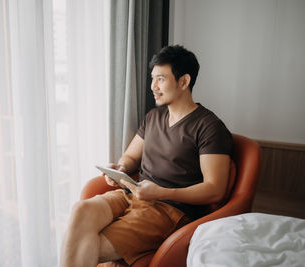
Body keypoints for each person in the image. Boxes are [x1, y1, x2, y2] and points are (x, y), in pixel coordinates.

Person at [60, 45, 233, 267]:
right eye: (153, 79)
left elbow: (215, 189)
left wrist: (161, 192)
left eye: (160, 79)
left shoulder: (208, 126)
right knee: (81, 209)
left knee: (89, 245)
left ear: (183, 81)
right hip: (132, 194)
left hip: (169, 210)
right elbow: (130, 157)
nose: (153, 87)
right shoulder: (153, 117)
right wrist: (120, 168)